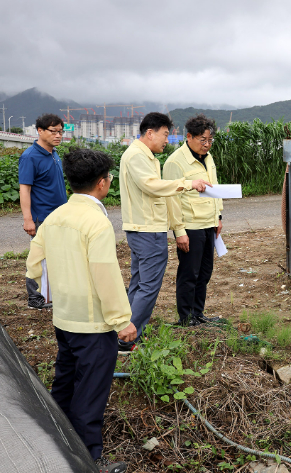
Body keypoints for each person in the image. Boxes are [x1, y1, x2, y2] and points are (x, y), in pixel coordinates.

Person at [26, 148, 137, 473]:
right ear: (103, 183)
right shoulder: (96, 222)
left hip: (64, 318)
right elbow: (105, 275)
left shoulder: (56, 216)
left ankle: (54, 445)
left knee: (64, 382)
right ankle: (89, 459)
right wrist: (122, 321)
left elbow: (35, 262)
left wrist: (47, 291)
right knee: (90, 394)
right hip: (93, 326)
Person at [118, 112, 211, 351]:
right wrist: (189, 183)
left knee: (139, 284)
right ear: (150, 133)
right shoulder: (137, 155)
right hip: (147, 229)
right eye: (165, 134)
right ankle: (128, 339)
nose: (166, 141)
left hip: (149, 227)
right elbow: (151, 185)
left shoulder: (146, 156)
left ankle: (128, 331)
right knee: (148, 286)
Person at [163, 114, 223, 326]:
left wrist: (219, 217)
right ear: (189, 137)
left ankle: (198, 314)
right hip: (190, 227)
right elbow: (171, 200)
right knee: (190, 273)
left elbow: (214, 187)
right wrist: (179, 232)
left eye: (210, 140)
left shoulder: (208, 158)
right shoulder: (175, 162)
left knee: (205, 272)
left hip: (209, 224)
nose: (207, 145)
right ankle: (186, 317)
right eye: (202, 140)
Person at [18, 114, 68, 309]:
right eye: (53, 131)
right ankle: (35, 298)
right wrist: (28, 219)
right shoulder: (30, 156)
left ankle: (52, 295)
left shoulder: (54, 153)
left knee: (56, 257)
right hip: (41, 217)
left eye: (60, 132)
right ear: (40, 131)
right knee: (38, 257)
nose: (58, 135)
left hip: (58, 215)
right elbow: (25, 189)